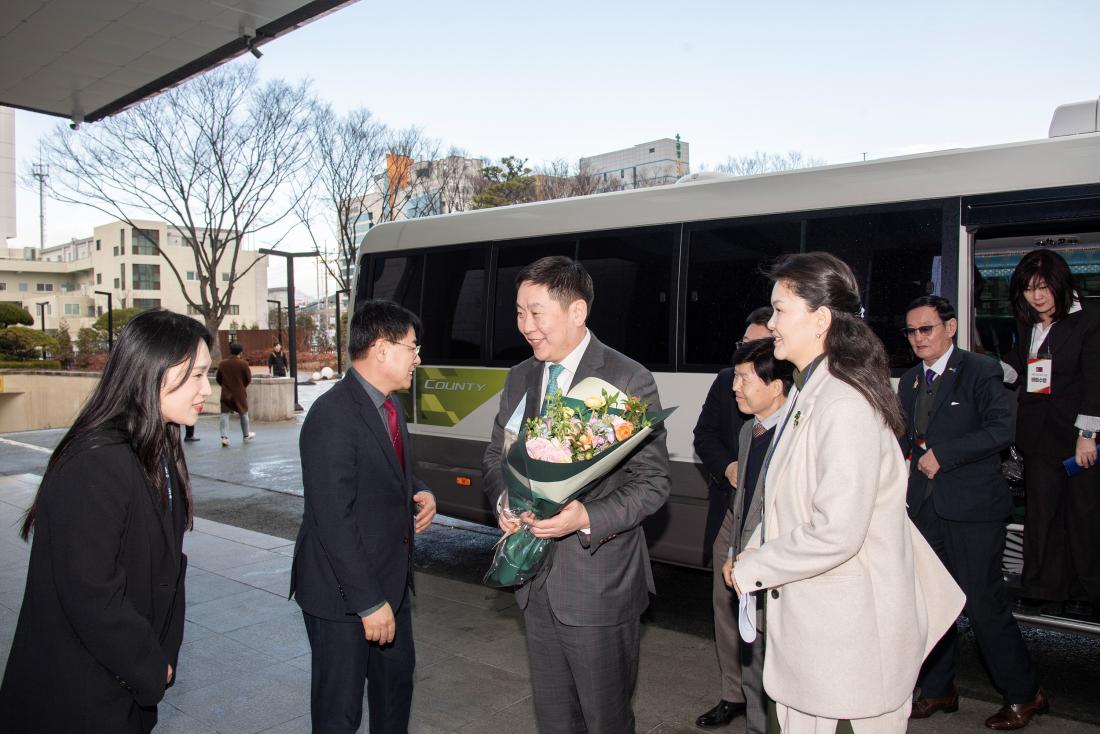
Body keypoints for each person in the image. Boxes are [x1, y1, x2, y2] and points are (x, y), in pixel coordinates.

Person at [729, 252, 963, 734]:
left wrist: (753, 565)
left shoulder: (842, 401)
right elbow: (787, 505)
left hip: (847, 651)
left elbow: (837, 531)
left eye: (779, 310)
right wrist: (752, 548)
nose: (770, 323)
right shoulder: (808, 392)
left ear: (819, 320)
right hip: (820, 643)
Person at [482, 256, 671, 734]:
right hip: (534, 584)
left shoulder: (625, 379)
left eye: (536, 312)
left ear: (577, 311)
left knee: (605, 719)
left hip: (598, 588)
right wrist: (506, 502)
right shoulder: (520, 377)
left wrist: (583, 516)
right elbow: (494, 457)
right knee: (553, 719)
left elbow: (651, 484)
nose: (525, 325)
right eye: (519, 312)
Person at [0, 309, 211, 733]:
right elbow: (91, 594)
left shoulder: (155, 445)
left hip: (118, 684)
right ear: (150, 371)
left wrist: (160, 655)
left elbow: (166, 569)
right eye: (196, 375)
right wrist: (151, 663)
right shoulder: (96, 460)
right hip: (74, 696)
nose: (207, 388)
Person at [290, 298, 437, 734]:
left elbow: (391, 468)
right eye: (412, 346)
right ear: (381, 348)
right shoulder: (332, 416)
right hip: (343, 595)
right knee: (340, 712)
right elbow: (333, 519)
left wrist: (421, 490)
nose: (418, 357)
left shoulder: (390, 405)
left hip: (390, 580)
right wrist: (369, 604)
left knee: (394, 696)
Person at [898, 295, 1045, 729]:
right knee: (930, 604)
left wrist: (945, 454)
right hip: (925, 507)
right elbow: (906, 440)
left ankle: (1025, 693)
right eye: (911, 331)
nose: (918, 338)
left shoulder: (981, 370)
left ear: (951, 327)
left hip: (974, 508)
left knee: (983, 605)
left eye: (926, 328)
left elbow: (1001, 429)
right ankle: (939, 689)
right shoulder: (908, 381)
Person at [1001, 249, 1099, 619]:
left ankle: (1084, 591)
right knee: (1042, 516)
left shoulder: (1089, 319)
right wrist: (992, 369)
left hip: (1077, 437)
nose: (1036, 296)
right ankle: (1043, 588)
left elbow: (1095, 379)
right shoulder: (1030, 322)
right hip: (1037, 436)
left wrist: (1088, 433)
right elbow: (1022, 362)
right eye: (1027, 288)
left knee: (1084, 515)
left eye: (1042, 287)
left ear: (1061, 282)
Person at [693, 306, 773, 729]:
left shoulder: (793, 399)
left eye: (753, 346)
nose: (743, 353)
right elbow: (703, 435)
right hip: (731, 508)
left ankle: (768, 702)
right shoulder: (727, 382)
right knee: (725, 606)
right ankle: (733, 694)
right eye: (741, 344)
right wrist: (727, 467)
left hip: (772, 521)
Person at [719, 337, 793, 734]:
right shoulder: (750, 430)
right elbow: (744, 501)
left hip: (778, 571)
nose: (735, 387)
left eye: (745, 379)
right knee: (753, 671)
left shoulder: (796, 435)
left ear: (776, 385)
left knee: (781, 678)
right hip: (747, 570)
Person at [216, 341, 254, 447]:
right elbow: (248, 379)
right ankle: (246, 434)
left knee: (224, 414)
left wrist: (225, 386)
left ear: (230, 351)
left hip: (226, 392)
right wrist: (242, 386)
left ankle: (224, 437)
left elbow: (218, 378)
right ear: (240, 352)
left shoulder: (222, 364)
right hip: (239, 392)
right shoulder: (243, 364)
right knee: (243, 413)